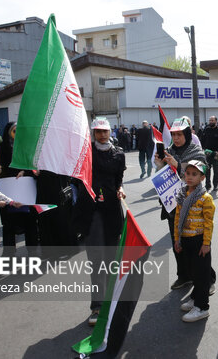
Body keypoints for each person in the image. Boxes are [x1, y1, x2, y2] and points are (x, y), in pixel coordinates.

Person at [75, 117, 126, 326]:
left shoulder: (119, 153)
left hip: (113, 210)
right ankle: (97, 306)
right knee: (96, 260)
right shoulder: (86, 153)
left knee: (113, 259)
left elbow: (118, 179)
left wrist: (120, 188)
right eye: (98, 131)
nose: (102, 135)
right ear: (93, 132)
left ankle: (112, 302)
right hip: (92, 210)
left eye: (105, 131)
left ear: (110, 132)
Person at [155, 117, 215, 291]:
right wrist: (160, 165)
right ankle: (184, 276)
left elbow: (201, 170)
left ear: (187, 134)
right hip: (173, 206)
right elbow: (163, 176)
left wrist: (178, 166)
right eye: (173, 135)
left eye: (180, 134)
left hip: (194, 205)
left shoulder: (195, 150)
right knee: (178, 244)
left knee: (198, 245)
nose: (176, 138)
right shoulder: (169, 151)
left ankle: (207, 280)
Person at [174, 160, 215, 322]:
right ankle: (195, 297)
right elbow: (178, 218)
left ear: (202, 177)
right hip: (185, 239)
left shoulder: (205, 198)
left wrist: (206, 244)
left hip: (199, 242)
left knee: (202, 274)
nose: (189, 177)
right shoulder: (182, 195)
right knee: (192, 272)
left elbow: (208, 223)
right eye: (187, 173)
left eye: (194, 174)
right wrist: (177, 239)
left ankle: (202, 307)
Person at [0, 122, 38, 255]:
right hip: (8, 188)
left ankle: (32, 251)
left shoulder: (27, 146)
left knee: (29, 221)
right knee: (9, 224)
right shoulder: (1, 148)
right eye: (14, 131)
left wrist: (26, 172)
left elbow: (34, 165)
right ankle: (9, 253)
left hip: (25, 188)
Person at [201, 116, 218, 192]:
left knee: (216, 170)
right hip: (207, 154)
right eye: (210, 120)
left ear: (216, 121)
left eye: (212, 120)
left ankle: (215, 185)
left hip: (216, 154)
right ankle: (207, 185)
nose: (211, 122)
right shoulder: (206, 129)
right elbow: (202, 139)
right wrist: (204, 149)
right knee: (207, 170)